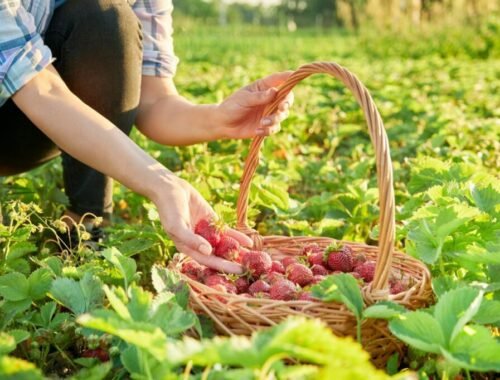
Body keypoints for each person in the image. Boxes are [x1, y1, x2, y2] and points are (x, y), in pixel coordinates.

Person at [0, 0, 293, 274]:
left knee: (105, 20)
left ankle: (84, 225)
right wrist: (162, 184)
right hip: (28, 96)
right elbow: (39, 89)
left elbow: (153, 100)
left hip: (31, 123)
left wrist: (219, 118)